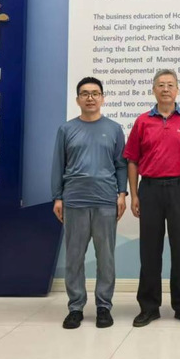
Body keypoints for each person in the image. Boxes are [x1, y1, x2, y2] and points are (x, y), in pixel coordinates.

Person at [125, 69, 180, 327]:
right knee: (150, 251)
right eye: (161, 85)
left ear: (177, 90)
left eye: (170, 85)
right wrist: (134, 194)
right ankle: (149, 307)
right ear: (153, 90)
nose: (166, 89)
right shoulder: (142, 121)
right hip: (150, 190)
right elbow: (132, 160)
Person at [51, 77, 127, 330]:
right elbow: (58, 164)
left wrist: (122, 194)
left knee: (106, 258)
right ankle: (75, 307)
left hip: (106, 200)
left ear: (103, 98)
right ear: (78, 100)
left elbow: (121, 165)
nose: (90, 98)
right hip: (74, 200)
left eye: (95, 93)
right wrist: (58, 197)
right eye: (85, 93)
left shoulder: (114, 129)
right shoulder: (66, 129)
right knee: (74, 257)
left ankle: (104, 306)